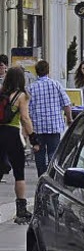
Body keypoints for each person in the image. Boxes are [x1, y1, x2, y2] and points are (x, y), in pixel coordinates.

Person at [0, 66, 40, 223]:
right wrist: (33, 139)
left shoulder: (1, 92)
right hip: (12, 134)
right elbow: (25, 118)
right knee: (19, 173)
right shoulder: (21, 96)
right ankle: (21, 211)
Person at [28, 60, 72, 177]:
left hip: (37, 127)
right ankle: (52, 176)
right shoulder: (56, 84)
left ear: (36, 72)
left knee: (39, 153)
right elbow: (66, 103)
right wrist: (69, 118)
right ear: (48, 71)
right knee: (53, 152)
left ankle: (42, 176)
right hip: (54, 125)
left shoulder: (31, 88)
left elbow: (28, 109)